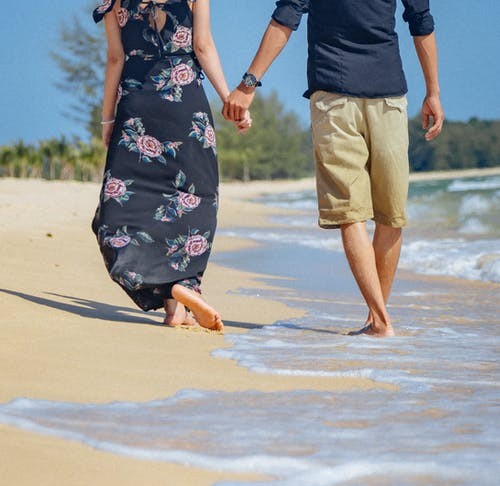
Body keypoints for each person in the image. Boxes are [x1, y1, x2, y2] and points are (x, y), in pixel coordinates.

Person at [223, 0, 444, 337]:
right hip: (360, 96)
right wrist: (433, 92)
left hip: (360, 96)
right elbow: (421, 21)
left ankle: (377, 321)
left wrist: (248, 84)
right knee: (372, 213)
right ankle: (381, 321)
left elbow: (286, 16)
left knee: (372, 213)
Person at [92, 0, 249, 331]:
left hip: (137, 108)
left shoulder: (113, 3)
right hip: (185, 106)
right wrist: (228, 101)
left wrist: (108, 117)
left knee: (127, 205)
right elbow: (203, 47)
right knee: (196, 198)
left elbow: (115, 59)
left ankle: (173, 303)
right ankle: (183, 287)